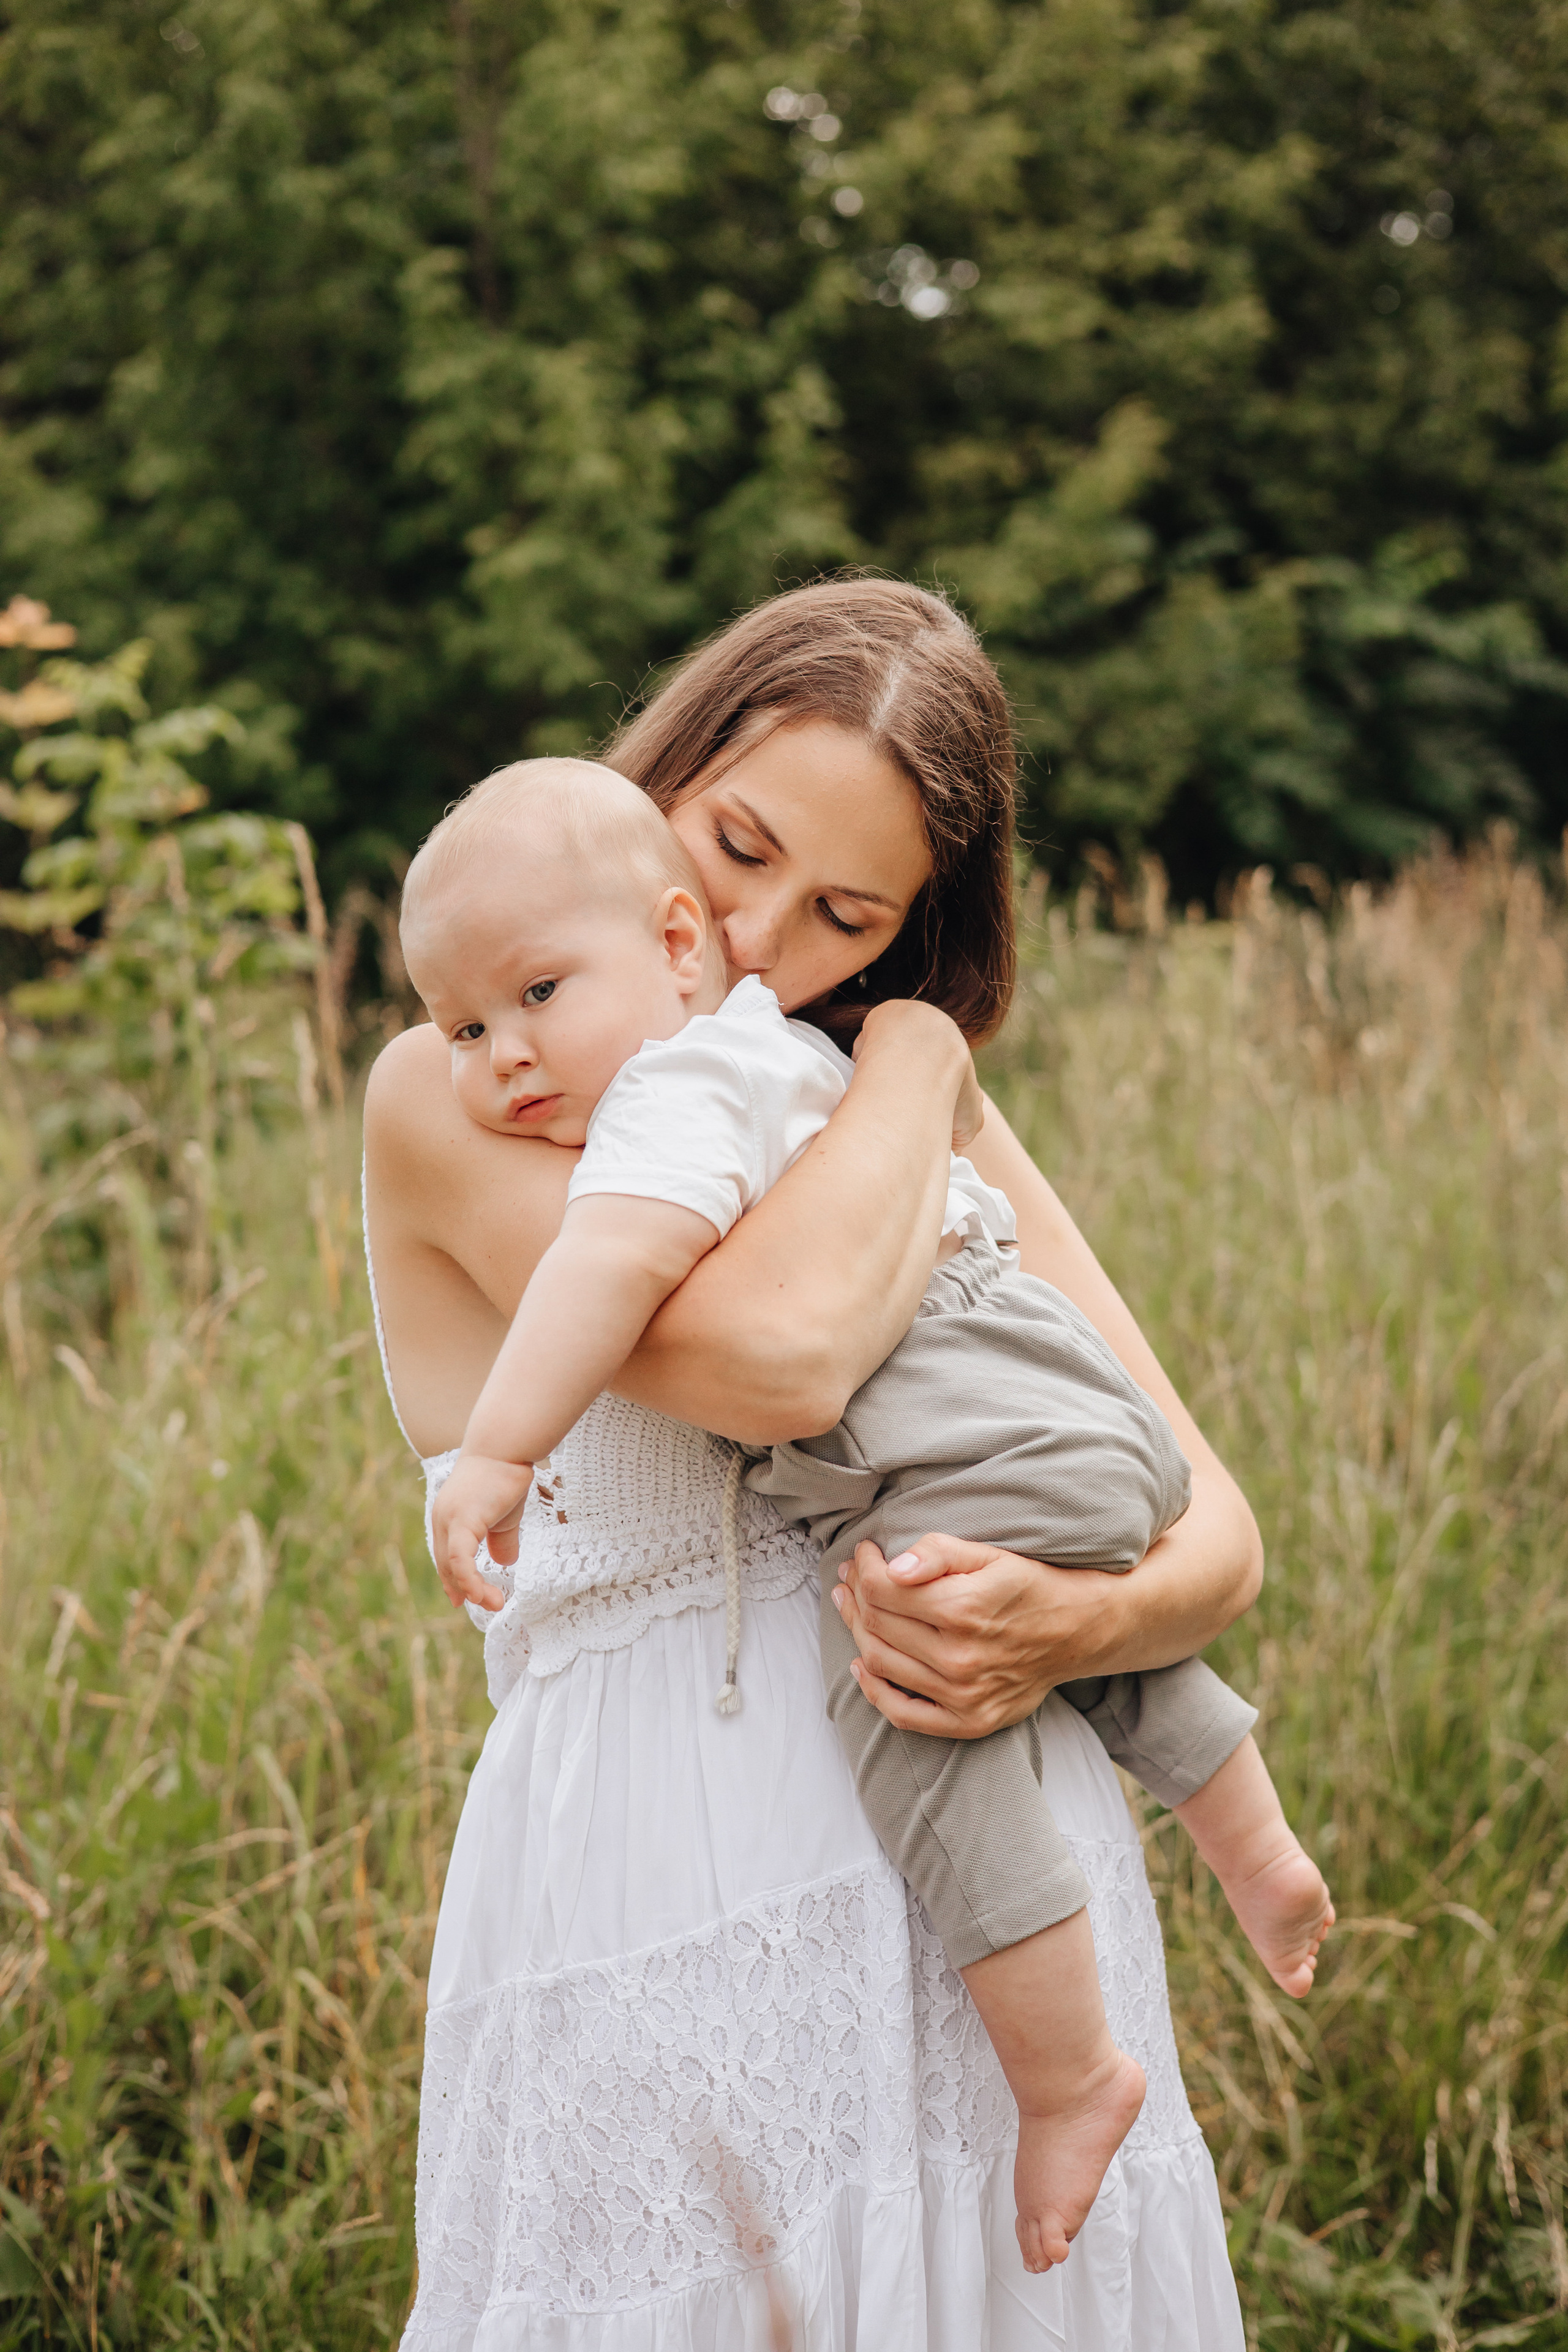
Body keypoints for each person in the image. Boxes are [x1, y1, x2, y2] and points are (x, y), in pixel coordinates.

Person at [364, 575, 1257, 2345]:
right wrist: (923, 1070)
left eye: (850, 915)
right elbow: (779, 1355)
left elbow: (1211, 1525)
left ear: (912, 928)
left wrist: (1063, 1629)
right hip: (652, 1882)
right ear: (658, 789)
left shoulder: (853, 1090)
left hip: (996, 1887)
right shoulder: (462, 1091)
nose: (766, 943)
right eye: (737, 846)